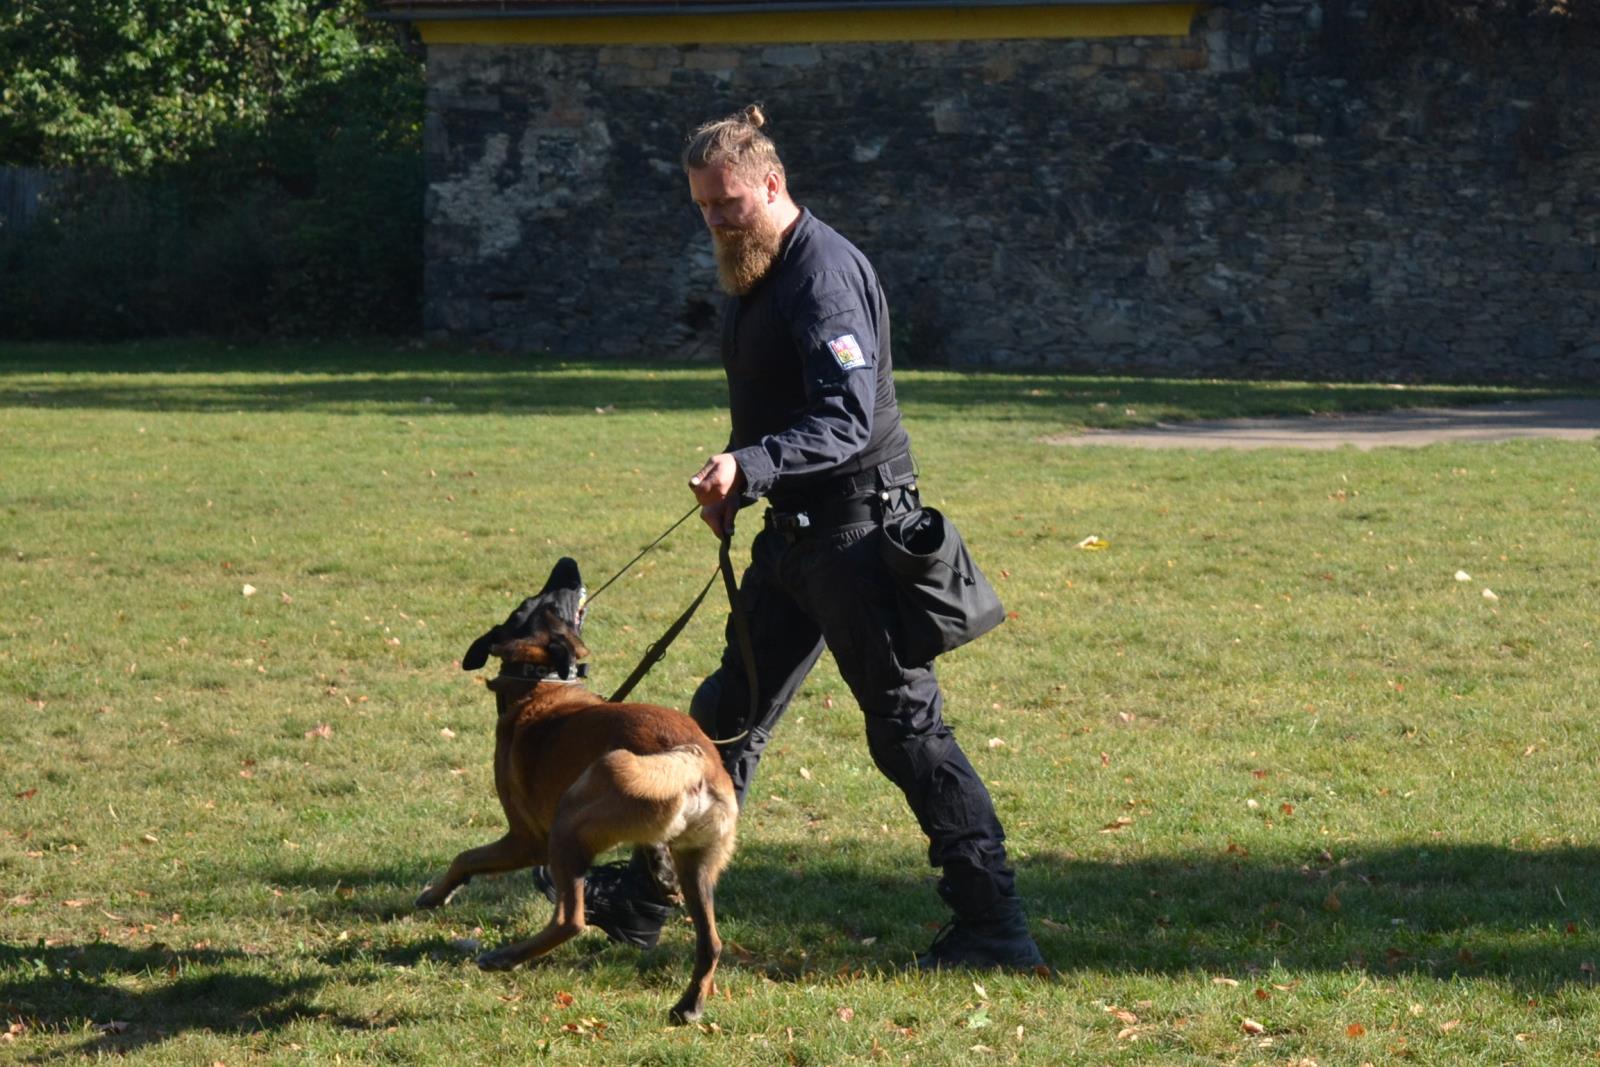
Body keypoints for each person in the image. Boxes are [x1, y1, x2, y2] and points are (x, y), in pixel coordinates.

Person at [536, 104, 1043, 972]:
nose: (716, 221)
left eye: (729, 203)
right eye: (702, 207)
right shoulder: (757, 269)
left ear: (773, 185)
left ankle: (993, 923)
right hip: (795, 540)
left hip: (858, 540)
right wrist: (745, 481)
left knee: (908, 732)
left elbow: (846, 418)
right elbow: (778, 409)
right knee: (722, 720)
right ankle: (647, 901)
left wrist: (753, 464)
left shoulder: (822, 276)